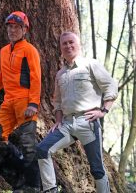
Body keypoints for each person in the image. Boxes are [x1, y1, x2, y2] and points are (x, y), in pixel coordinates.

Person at [36, 32, 118, 193]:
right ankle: (50, 190)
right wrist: (58, 120)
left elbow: (111, 86)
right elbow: (57, 102)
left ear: (78, 44)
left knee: (97, 169)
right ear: (60, 48)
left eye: (71, 42)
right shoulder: (60, 74)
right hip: (67, 124)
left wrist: (103, 111)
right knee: (42, 149)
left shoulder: (90, 64)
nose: (68, 46)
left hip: (88, 123)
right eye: (64, 43)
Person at [0, 11, 41, 192]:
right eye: (10, 26)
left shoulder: (29, 50)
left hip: (25, 101)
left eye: (17, 27)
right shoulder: (3, 51)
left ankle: (33, 186)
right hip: (8, 102)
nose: (13, 30)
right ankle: (19, 167)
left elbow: (36, 77)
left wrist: (34, 103)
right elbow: (3, 74)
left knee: (28, 145)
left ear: (24, 30)